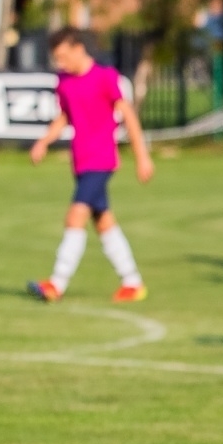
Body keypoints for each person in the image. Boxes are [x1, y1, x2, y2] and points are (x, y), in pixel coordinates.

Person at [27, 28, 153, 302]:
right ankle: (132, 282)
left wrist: (142, 156)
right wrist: (44, 141)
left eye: (63, 56)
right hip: (81, 162)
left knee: (75, 217)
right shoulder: (64, 82)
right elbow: (65, 117)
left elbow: (128, 115)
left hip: (101, 159)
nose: (60, 63)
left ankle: (56, 283)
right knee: (104, 221)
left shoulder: (105, 77)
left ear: (78, 48)